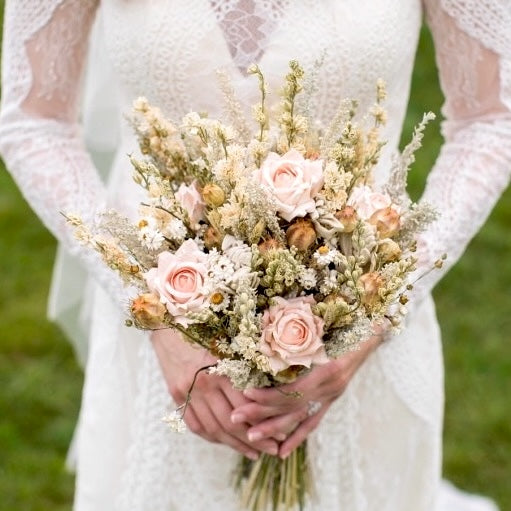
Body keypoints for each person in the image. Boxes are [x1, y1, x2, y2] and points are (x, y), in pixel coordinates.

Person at [0, 1, 509, 510]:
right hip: (165, 363)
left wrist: (371, 319)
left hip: (359, 361)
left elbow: (491, 119)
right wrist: (153, 310)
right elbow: (33, 121)